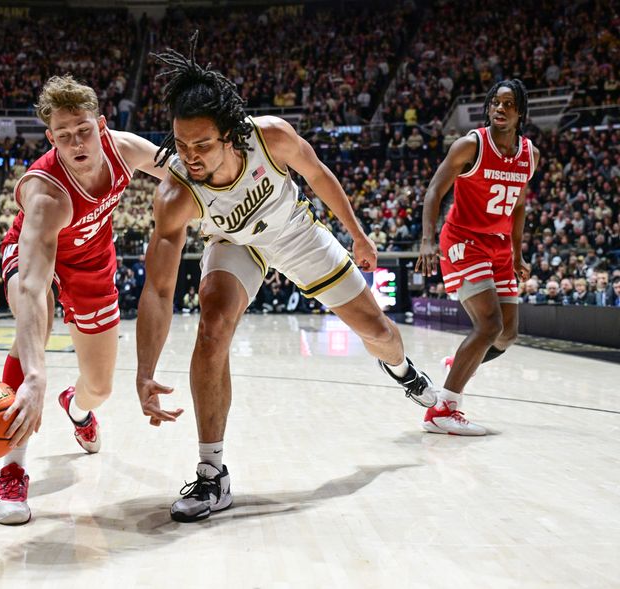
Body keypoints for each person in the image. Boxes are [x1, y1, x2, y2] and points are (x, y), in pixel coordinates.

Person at [136, 35, 435, 523]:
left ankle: (406, 374)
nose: (190, 155)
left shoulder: (269, 137)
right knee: (211, 332)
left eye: (203, 144)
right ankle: (212, 474)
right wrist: (144, 370)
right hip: (235, 243)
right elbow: (159, 288)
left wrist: (357, 234)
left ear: (230, 134)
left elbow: (318, 176)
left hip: (294, 232)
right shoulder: (176, 196)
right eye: (182, 143)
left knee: (379, 333)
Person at [0, 75, 168, 526]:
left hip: (91, 262)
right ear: (51, 138)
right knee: (35, 326)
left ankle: (77, 406)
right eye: (63, 136)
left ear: (101, 125)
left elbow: (185, 171)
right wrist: (34, 374)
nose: (76, 142)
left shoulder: (125, 149)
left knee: (101, 386)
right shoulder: (47, 193)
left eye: (84, 130)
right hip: (34, 255)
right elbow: (30, 286)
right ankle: (12, 469)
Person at [416, 79, 539, 436]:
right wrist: (427, 240)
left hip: (499, 244)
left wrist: (517, 254)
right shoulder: (471, 144)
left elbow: (518, 208)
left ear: (520, 111)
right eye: (495, 103)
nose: (500, 109)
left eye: (508, 103)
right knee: (488, 326)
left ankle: (462, 363)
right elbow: (435, 189)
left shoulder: (530, 155)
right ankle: (443, 409)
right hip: (463, 239)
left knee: (507, 334)